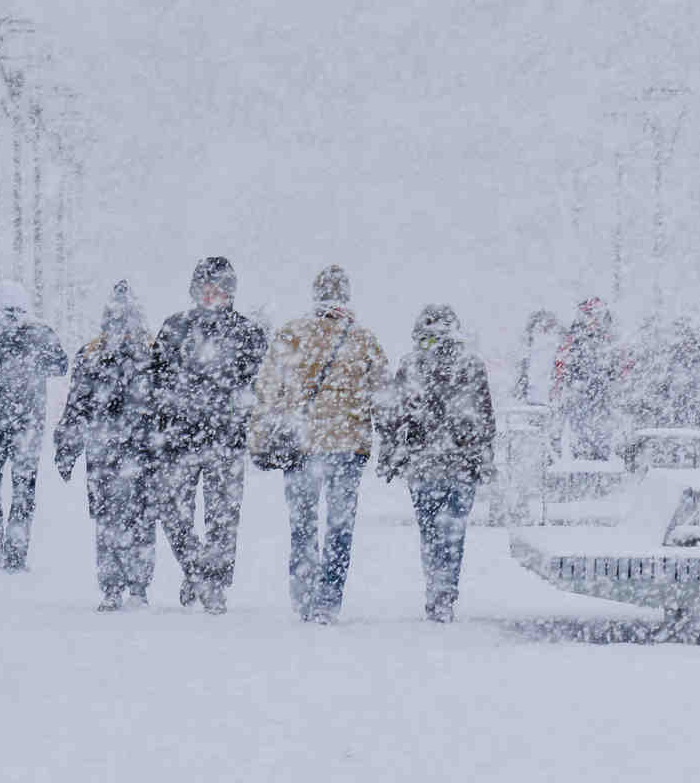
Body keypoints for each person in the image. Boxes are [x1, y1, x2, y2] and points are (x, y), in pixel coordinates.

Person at [249, 266, 388, 624]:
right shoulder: (363, 339)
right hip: (348, 445)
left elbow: (267, 389)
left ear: (316, 295)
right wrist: (386, 439)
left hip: (301, 444)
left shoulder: (292, 333)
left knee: (302, 524)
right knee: (339, 528)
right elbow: (382, 395)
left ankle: (303, 594)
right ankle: (328, 600)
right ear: (346, 296)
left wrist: (261, 438)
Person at [150, 257, 268, 614]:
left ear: (230, 293)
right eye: (205, 287)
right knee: (171, 509)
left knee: (223, 520)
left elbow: (258, 384)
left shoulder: (248, 332)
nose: (211, 294)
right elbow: (154, 378)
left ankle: (214, 583)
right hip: (178, 438)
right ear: (194, 289)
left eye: (218, 288)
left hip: (225, 439)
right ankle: (196, 568)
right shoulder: (175, 327)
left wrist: (240, 412)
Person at [378, 304, 496, 623]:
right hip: (462, 461)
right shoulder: (472, 364)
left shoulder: (411, 364)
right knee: (454, 533)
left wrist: (390, 454)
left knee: (430, 532)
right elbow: (485, 416)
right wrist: (485, 458)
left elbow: (393, 415)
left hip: (424, 462)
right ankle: (445, 594)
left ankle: (435, 590)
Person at [54, 281, 157, 611]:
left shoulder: (92, 354)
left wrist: (67, 447)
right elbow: (165, 406)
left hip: (109, 450)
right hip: (137, 450)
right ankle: (132, 588)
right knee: (133, 520)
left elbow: (76, 406)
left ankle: (119, 588)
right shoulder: (150, 353)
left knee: (113, 520)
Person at [0, 280, 67, 571]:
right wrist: (33, 365)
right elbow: (61, 365)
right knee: (24, 488)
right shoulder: (41, 331)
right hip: (28, 423)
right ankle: (16, 555)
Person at [550, 297, 622, 460]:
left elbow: (615, 365)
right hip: (582, 392)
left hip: (597, 393)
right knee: (582, 430)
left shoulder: (605, 338)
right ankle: (584, 454)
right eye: (589, 314)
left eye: (596, 315)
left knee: (598, 431)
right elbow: (562, 364)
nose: (593, 319)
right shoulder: (575, 338)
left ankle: (595, 455)